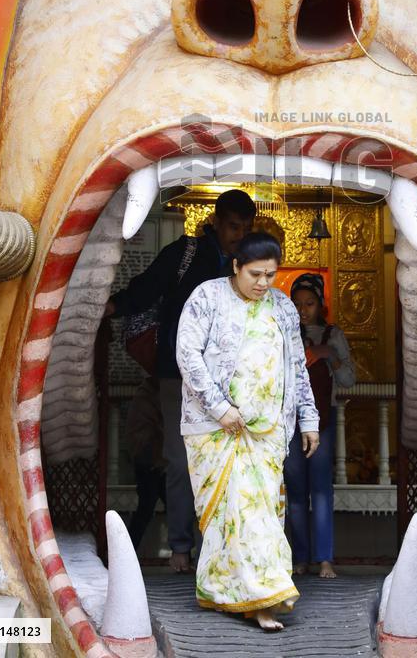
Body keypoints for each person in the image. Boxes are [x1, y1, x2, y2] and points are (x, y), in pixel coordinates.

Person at [176, 232, 319, 631]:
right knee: (231, 514)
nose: (263, 283)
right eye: (255, 274)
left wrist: (309, 419)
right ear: (236, 267)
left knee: (258, 513)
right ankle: (243, 596)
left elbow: (296, 368)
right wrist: (220, 409)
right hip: (215, 429)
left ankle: (249, 595)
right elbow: (188, 357)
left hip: (268, 432)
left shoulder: (284, 308)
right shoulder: (207, 298)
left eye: (271, 275)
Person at [107, 188, 256, 572]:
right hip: (179, 375)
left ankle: (220, 549)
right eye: (233, 226)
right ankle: (179, 549)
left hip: (230, 380)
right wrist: (111, 306)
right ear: (217, 223)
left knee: (226, 460)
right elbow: (147, 286)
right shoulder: (187, 254)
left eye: (245, 228)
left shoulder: (248, 265)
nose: (239, 234)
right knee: (179, 459)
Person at [284, 273, 356, 578]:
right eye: (297, 304)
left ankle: (325, 559)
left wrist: (331, 356)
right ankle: (300, 558)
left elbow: (349, 380)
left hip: (322, 424)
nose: (303, 310)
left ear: (320, 304)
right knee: (296, 493)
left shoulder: (332, 335)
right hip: (289, 425)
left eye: (309, 303)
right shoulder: (284, 332)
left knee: (322, 491)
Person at [126, 375, 166, 551]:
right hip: (149, 460)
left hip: (152, 459)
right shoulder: (150, 396)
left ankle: (129, 550)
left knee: (148, 507)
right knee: (147, 508)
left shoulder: (147, 394)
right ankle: (129, 550)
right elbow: (145, 432)